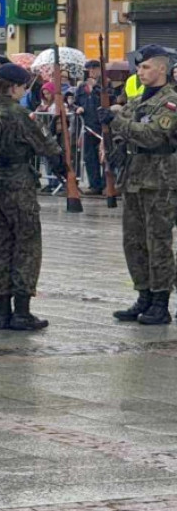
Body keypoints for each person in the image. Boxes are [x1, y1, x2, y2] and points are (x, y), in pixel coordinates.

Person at [100, 45, 177, 325]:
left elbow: (152, 135)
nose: (140, 72)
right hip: (134, 178)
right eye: (139, 67)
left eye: (145, 67)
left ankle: (160, 301)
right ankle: (143, 295)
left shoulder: (170, 102)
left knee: (157, 242)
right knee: (133, 242)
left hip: (160, 179)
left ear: (161, 69)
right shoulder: (138, 100)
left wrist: (116, 121)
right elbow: (125, 127)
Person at [0, 63, 64, 331]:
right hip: (19, 185)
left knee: (1, 247)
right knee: (26, 246)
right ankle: (21, 311)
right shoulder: (19, 114)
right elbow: (47, 146)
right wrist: (61, 164)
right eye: (23, 86)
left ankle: (1, 311)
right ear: (15, 87)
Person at [74, 60, 106, 196]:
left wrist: (96, 89)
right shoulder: (82, 87)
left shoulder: (106, 84)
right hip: (87, 126)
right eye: (89, 69)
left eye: (94, 68)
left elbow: (110, 99)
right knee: (90, 157)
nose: (92, 71)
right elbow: (74, 103)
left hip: (103, 126)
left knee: (105, 157)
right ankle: (94, 185)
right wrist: (77, 108)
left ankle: (106, 185)